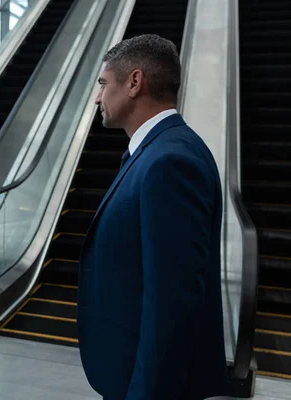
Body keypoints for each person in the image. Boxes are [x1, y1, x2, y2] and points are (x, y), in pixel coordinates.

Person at [77, 34, 227, 400]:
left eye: (102, 84)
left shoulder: (169, 162)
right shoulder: (156, 151)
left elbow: (171, 302)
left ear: (134, 82)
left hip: (145, 383)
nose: (97, 97)